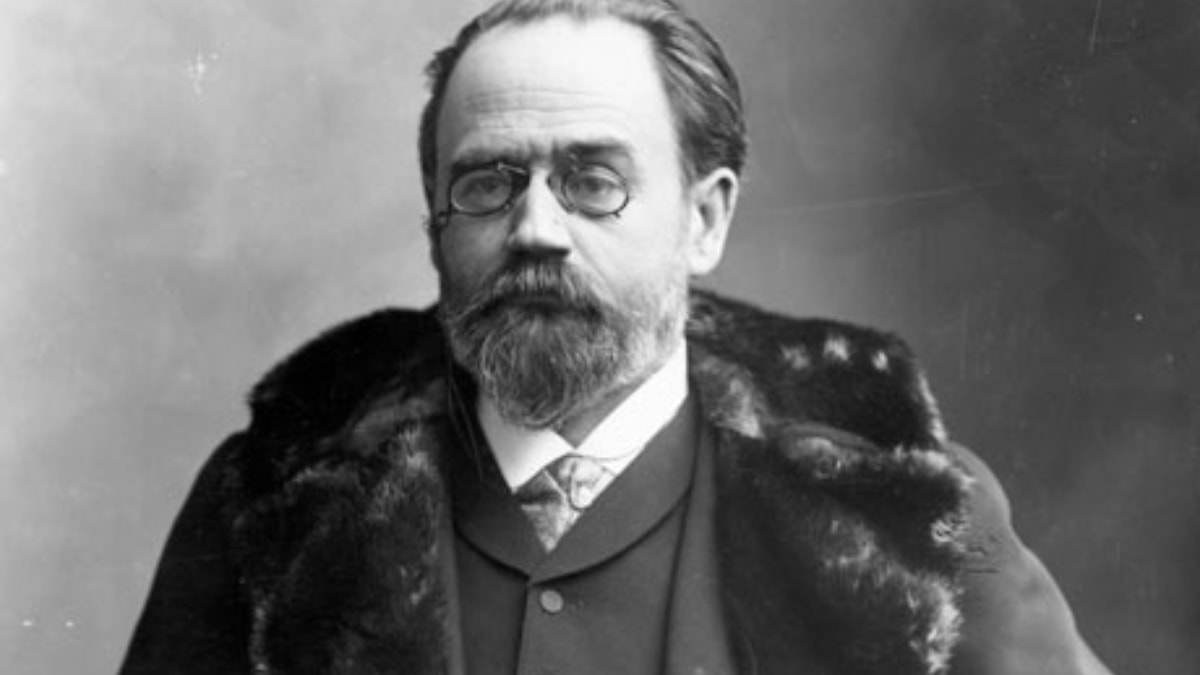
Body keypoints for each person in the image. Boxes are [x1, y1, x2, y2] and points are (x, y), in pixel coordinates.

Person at [120, 1, 1115, 673]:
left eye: (593, 181)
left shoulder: (904, 512)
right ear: (435, 223)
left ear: (704, 219)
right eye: (487, 183)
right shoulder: (271, 509)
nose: (536, 230)